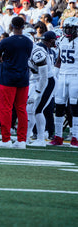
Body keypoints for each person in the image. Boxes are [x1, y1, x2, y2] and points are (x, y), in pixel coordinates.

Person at [0, 16, 34, 149]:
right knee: (21, 109)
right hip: (23, 77)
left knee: (6, 108)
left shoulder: (6, 41)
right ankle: (22, 140)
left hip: (7, 77)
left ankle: (6, 139)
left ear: (11, 26)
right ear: (23, 27)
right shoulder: (29, 42)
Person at [26, 30, 57, 147]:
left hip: (47, 81)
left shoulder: (37, 52)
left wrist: (37, 92)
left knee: (38, 110)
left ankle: (41, 139)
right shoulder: (25, 51)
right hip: (35, 80)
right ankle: (26, 137)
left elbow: (44, 76)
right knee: (29, 110)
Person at [52, 17, 78, 147]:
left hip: (75, 75)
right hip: (62, 75)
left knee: (75, 107)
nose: (68, 30)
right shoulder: (61, 40)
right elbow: (58, 60)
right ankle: (58, 136)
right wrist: (54, 75)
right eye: (66, 28)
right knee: (59, 106)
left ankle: (76, 137)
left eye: (71, 28)